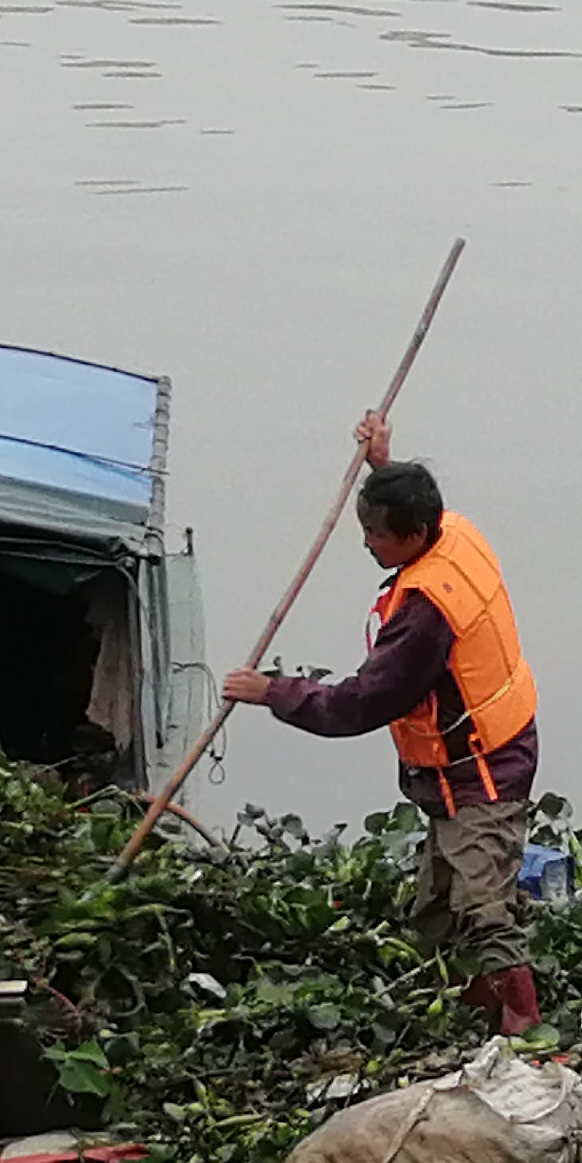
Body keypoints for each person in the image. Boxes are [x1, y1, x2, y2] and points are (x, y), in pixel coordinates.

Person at [224, 412, 543, 1033]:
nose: (367, 542)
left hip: (480, 771)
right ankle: (470, 998)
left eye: (376, 533)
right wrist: (382, 465)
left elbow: (359, 706)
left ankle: (526, 1031)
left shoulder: (426, 616)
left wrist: (272, 692)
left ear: (413, 533)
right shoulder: (458, 533)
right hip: (490, 746)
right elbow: (424, 513)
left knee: (484, 906)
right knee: (433, 908)